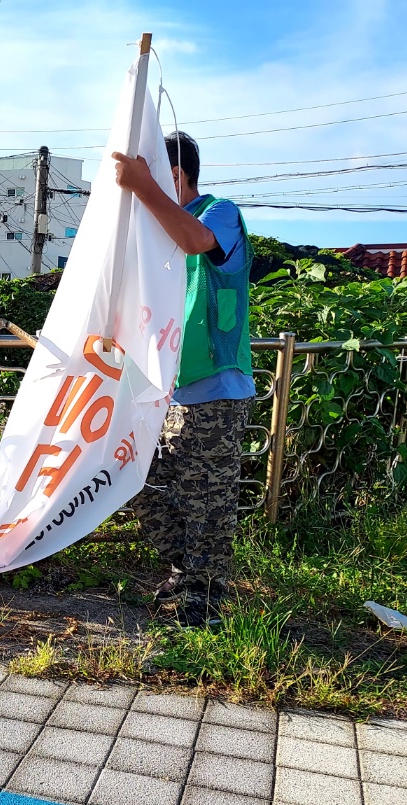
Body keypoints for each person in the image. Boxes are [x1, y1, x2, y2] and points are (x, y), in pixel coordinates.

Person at [112, 131, 254, 627]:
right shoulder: (156, 231)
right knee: (151, 486)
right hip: (163, 390)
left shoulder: (221, 212)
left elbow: (195, 240)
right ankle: (184, 572)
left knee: (206, 498)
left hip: (216, 385)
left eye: (153, 174)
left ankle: (207, 595)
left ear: (173, 174)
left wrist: (143, 186)